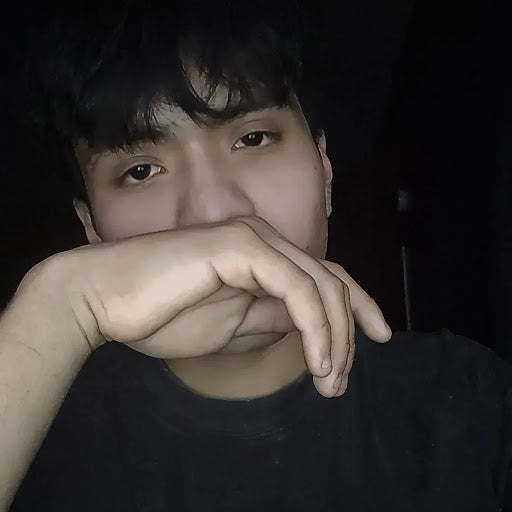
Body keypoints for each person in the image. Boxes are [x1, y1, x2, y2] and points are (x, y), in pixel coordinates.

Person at [2, 2, 511, 511]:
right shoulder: (32, 426)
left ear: (325, 173)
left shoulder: (471, 401)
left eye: (253, 138)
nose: (215, 215)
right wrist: (62, 304)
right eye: (141, 171)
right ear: (92, 230)